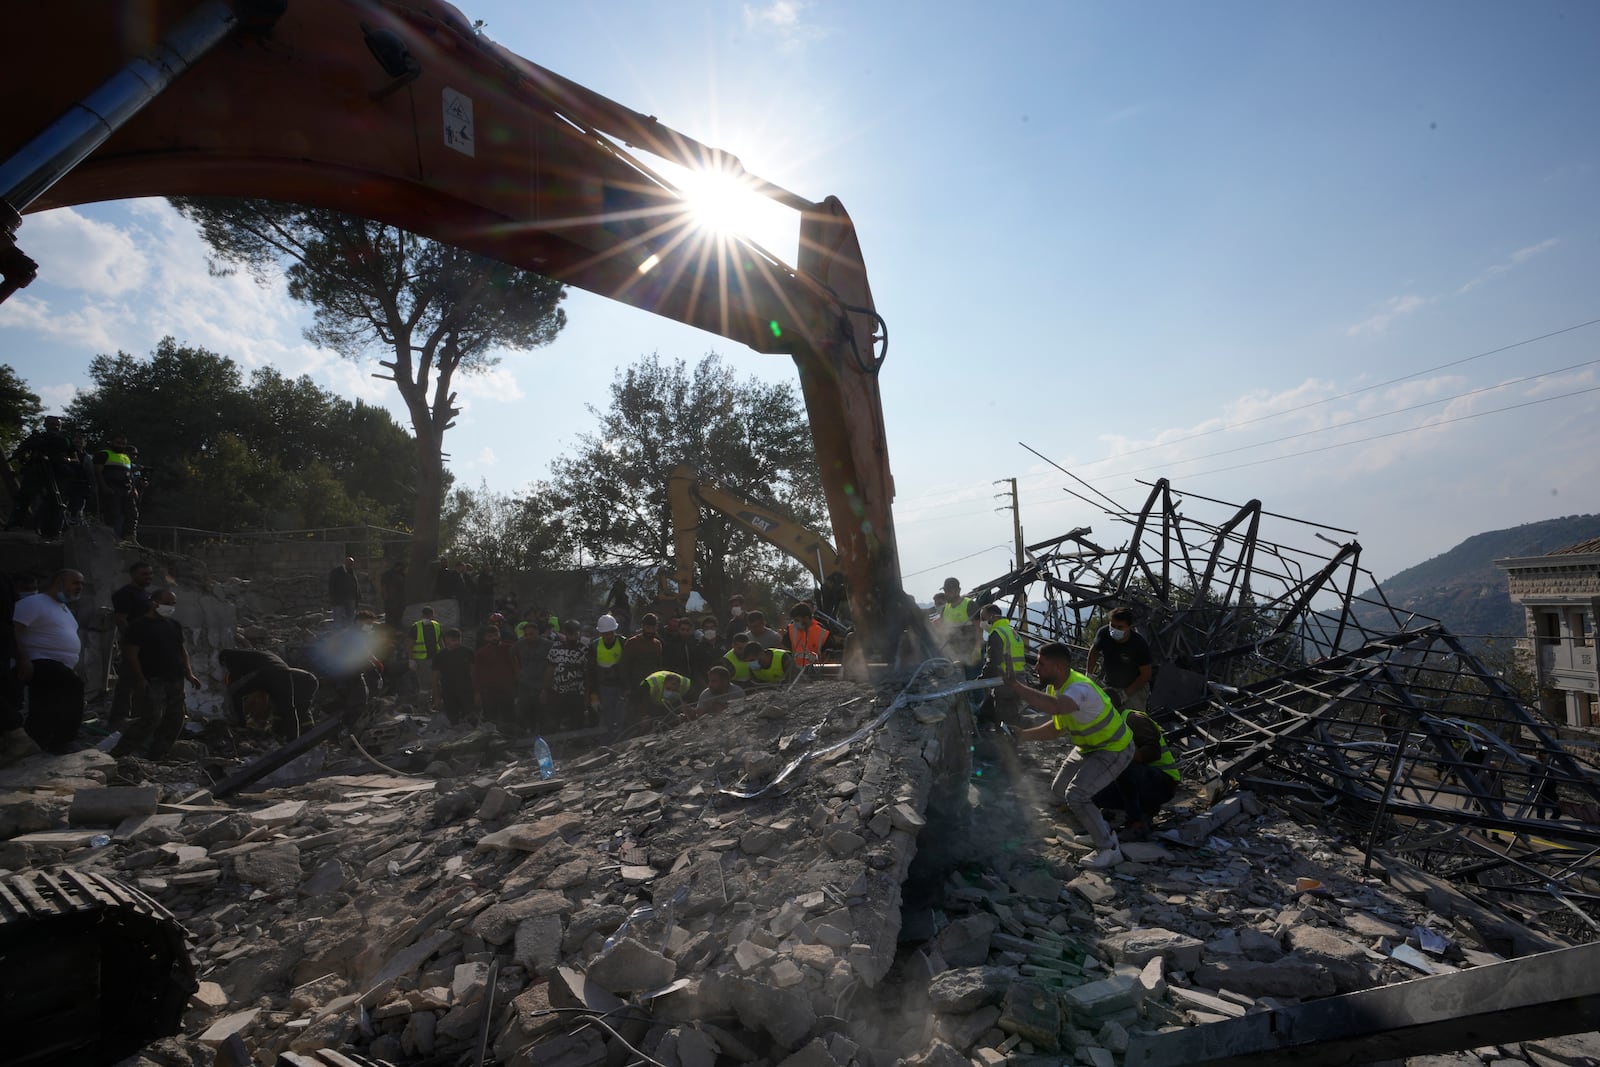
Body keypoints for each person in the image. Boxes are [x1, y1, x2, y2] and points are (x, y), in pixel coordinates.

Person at [1005, 640, 1133, 869]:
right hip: (1089, 748)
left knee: (1076, 795)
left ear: (1058, 667)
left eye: (1040, 664)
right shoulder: (1057, 687)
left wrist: (1016, 685)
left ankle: (1109, 849)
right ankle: (1098, 829)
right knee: (1058, 791)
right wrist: (1023, 735)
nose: (1036, 669)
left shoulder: (1078, 689)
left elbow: (1056, 707)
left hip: (1113, 748)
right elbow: (1057, 728)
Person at [113, 588, 201, 759]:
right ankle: (120, 752)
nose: (170, 607)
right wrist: (140, 678)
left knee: (175, 719)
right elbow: (131, 654)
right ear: (154, 603)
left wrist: (189, 673)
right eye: (167, 603)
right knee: (151, 718)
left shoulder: (173, 625)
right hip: (153, 679)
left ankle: (157, 755)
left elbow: (182, 651)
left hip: (175, 679)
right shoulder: (138, 626)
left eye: (173, 604)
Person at [12, 569, 86, 752]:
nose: (80, 587)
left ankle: (37, 739)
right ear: (59, 582)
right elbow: (13, 631)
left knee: (44, 703)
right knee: (74, 686)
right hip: (38, 660)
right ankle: (64, 739)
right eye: (76, 583)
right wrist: (22, 658)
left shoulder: (64, 608)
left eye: (81, 584)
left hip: (58, 665)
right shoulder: (34, 603)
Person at [1093, 710, 1179, 839]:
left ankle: (1136, 823)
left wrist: (1118, 754)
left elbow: (1153, 752)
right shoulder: (1106, 728)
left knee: (1125, 766)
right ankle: (1131, 811)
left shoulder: (1133, 719)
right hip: (1142, 780)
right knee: (1090, 793)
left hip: (1164, 782)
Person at [218, 648, 319, 741]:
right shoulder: (255, 656)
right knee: (288, 709)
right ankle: (292, 740)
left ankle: (241, 724)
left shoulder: (231, 658)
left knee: (236, 694)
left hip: (298, 679)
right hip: (285, 672)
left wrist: (253, 719)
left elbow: (238, 680)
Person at [108, 560, 157, 728]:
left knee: (142, 681)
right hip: (134, 645)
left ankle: (138, 716)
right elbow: (121, 619)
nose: (148, 577)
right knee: (128, 680)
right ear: (133, 575)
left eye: (150, 573)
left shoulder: (145, 594)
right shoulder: (126, 594)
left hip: (146, 646)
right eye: (144, 574)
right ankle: (118, 718)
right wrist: (131, 641)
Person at [8, 416, 73, 537]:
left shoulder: (64, 439)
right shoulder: (37, 438)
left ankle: (50, 531)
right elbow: (20, 452)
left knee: (54, 502)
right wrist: (26, 456)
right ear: (45, 425)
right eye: (52, 424)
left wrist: (65, 459)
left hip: (56, 474)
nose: (55, 427)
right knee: (25, 497)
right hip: (36, 470)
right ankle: (16, 524)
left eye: (58, 424)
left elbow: (72, 456)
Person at [1085, 607, 1153, 711]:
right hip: (1110, 683)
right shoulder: (1104, 633)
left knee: (1132, 719)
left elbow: (1146, 674)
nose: (1115, 629)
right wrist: (1089, 675)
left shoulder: (1139, 644)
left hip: (1134, 688)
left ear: (1129, 626)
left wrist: (1125, 694)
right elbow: (1094, 651)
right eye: (1112, 625)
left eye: (1120, 627)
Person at [977, 603, 1026, 727]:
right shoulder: (1012, 631)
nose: (981, 622)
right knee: (986, 711)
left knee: (1005, 719)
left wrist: (982, 678)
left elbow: (994, 661)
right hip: (1019, 679)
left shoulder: (996, 634)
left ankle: (1028, 731)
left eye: (983, 618)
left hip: (1006, 682)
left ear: (992, 617)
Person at [543, 619, 589, 732]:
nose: (574, 636)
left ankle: (577, 744)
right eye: (571, 633)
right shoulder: (556, 647)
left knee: (577, 721)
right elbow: (550, 668)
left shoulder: (584, 649)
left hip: (576, 692)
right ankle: (554, 744)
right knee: (553, 721)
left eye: (576, 633)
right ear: (565, 632)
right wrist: (545, 689)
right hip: (557, 691)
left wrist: (587, 694)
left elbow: (587, 672)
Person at [94, 433, 139, 542]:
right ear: (112, 442)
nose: (121, 446)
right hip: (112, 489)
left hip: (126, 490)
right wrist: (104, 487)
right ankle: (110, 538)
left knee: (132, 514)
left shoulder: (126, 458)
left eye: (123, 444)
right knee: (113, 514)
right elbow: (97, 473)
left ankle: (129, 538)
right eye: (118, 443)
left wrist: (133, 489)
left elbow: (130, 475)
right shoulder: (104, 454)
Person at [472, 623, 518, 732]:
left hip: (507, 687)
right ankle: (494, 736)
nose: (494, 638)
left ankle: (510, 734)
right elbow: (477, 673)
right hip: (489, 689)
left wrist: (517, 683)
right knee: (491, 716)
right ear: (485, 638)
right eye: (490, 636)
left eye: (495, 635)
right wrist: (477, 692)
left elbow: (515, 666)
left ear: (499, 634)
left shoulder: (508, 648)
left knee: (509, 713)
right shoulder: (481, 653)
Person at [589, 614, 626, 735]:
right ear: (600, 633)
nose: (608, 636)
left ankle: (621, 741)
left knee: (621, 716)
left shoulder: (623, 642)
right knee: (605, 718)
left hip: (621, 686)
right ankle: (605, 744)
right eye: (605, 633)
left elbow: (628, 667)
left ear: (614, 630)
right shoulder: (594, 646)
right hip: (603, 687)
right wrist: (593, 694)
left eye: (610, 633)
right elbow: (590, 671)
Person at [432, 628, 477, 725]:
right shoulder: (440, 656)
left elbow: (474, 673)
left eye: (458, 640)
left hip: (466, 691)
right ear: (446, 640)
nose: (456, 643)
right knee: (452, 719)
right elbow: (435, 679)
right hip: (448, 692)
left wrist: (477, 693)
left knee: (471, 718)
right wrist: (437, 698)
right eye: (453, 640)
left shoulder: (467, 652)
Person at [939, 577, 982, 672]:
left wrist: (977, 648)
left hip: (971, 654)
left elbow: (979, 628)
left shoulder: (969, 605)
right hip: (953, 656)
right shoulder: (945, 609)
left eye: (949, 591)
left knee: (973, 682)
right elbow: (942, 632)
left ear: (958, 590)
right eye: (945, 591)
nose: (946, 594)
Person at [409, 605, 442, 709]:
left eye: (430, 615)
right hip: (422, 660)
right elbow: (409, 644)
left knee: (436, 683)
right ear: (422, 615)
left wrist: (444, 654)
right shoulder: (416, 626)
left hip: (435, 658)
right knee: (425, 685)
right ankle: (422, 707)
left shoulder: (436, 625)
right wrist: (411, 659)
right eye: (426, 615)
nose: (428, 617)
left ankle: (433, 705)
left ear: (433, 615)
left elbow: (440, 641)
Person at [783, 602, 830, 669]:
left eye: (797, 620)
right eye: (794, 620)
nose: (795, 623)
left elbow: (828, 658)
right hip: (795, 672)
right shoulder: (790, 630)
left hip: (815, 673)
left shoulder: (822, 633)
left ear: (806, 618)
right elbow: (785, 652)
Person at [328, 557, 360, 625]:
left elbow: (356, 584)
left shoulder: (352, 572)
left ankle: (348, 633)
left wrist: (357, 597)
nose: (351, 565)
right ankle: (337, 633)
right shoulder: (336, 571)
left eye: (352, 564)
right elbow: (331, 585)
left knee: (350, 618)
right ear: (345, 563)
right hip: (339, 599)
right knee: (338, 618)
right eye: (349, 563)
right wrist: (332, 597)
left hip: (351, 598)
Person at [380, 560, 407, 625]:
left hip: (400, 599)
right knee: (390, 615)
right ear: (398, 567)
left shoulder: (401, 574)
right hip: (391, 599)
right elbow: (383, 586)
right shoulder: (388, 574)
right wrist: (385, 596)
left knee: (399, 614)